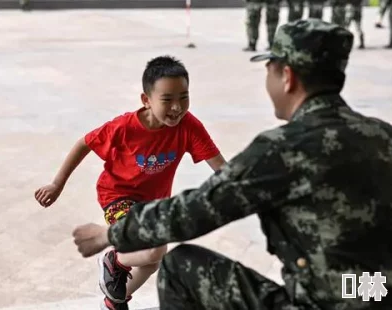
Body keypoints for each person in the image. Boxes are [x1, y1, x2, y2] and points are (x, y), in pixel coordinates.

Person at [72, 18, 392, 309]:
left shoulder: (281, 149)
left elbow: (193, 212)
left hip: (322, 302)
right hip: (375, 292)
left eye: (269, 68)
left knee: (180, 265)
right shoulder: (384, 134)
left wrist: (108, 235)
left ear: (287, 77)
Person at [35, 56, 226, 310]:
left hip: (153, 204)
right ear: (146, 100)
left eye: (184, 97)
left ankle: (115, 299)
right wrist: (56, 184)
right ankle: (114, 261)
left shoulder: (189, 126)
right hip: (117, 196)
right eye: (167, 99)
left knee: (151, 261)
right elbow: (84, 143)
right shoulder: (125, 127)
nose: (177, 107)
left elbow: (223, 169)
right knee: (156, 250)